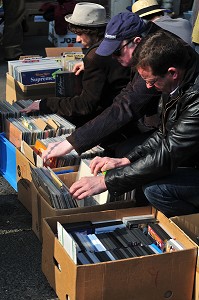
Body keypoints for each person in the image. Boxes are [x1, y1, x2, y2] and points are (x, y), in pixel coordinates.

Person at [69, 30, 199, 218]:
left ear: (172, 73)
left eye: (151, 81)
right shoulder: (177, 82)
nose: (147, 87)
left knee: (157, 189)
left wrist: (105, 183)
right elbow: (164, 133)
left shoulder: (195, 98)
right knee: (136, 164)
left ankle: (191, 231)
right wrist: (127, 160)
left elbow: (168, 154)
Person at [41, 12, 162, 161]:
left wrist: (72, 142)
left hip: (168, 131)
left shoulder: (156, 60)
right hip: (156, 123)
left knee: (123, 151)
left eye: (116, 52)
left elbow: (126, 105)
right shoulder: (146, 44)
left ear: (137, 41)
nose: (114, 58)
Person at [21, 3, 130, 128]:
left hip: (111, 117)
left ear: (91, 31)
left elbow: (85, 105)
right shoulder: (117, 44)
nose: (77, 40)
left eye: (80, 34)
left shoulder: (95, 57)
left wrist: (44, 104)